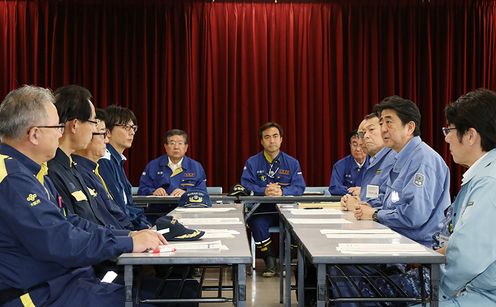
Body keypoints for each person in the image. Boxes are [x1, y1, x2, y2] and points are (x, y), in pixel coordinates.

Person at [0, 85, 165, 306]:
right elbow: (60, 240)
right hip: (39, 293)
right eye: (57, 127)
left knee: (166, 293)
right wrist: (126, 243)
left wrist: (128, 237)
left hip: (62, 281)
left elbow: (70, 222)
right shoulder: (12, 179)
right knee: (152, 300)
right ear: (35, 134)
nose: (61, 133)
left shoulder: (34, 171)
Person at [426, 88, 496, 306]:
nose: (446, 138)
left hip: (479, 294)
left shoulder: (489, 182)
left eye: (450, 130)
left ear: (471, 135)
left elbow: (468, 258)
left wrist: (434, 285)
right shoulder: (483, 175)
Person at [353, 96, 451, 247]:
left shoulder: (423, 160)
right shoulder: (400, 158)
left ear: (410, 127)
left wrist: (375, 214)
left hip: (418, 252)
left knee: (339, 266)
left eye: (389, 122)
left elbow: (414, 215)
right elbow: (390, 201)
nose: (383, 128)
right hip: (397, 242)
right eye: (381, 123)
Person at [47, 85, 120, 227]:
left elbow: (96, 222)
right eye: (93, 122)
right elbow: (75, 231)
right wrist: (127, 239)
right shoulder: (52, 170)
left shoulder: (73, 168)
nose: (94, 129)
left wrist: (129, 236)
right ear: (74, 125)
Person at [241, 122, 306, 277]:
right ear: (262, 141)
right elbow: (245, 184)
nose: (272, 141)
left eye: (275, 136)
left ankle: (285, 263)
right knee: (257, 223)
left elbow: (300, 187)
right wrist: (264, 190)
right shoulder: (252, 162)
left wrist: (282, 191)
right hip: (261, 209)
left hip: (285, 209)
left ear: (281, 139)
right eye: (267, 137)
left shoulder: (292, 162)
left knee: (293, 225)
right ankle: (269, 262)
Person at [72, 108, 134, 230]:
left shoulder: (95, 169)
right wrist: (129, 236)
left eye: (133, 128)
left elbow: (118, 211)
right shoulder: (91, 167)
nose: (106, 140)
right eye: (103, 133)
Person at [98, 105, 150, 230]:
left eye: (133, 127)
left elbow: (129, 205)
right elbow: (118, 208)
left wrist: (146, 225)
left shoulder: (116, 160)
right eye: (126, 127)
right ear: (108, 132)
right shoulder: (104, 160)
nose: (132, 132)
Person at [341, 113, 396, 209]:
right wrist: (359, 199)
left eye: (371, 130)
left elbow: (393, 202)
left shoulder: (394, 159)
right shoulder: (375, 160)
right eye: (361, 134)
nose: (364, 139)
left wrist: (359, 202)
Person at [138, 129, 207, 197]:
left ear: (186, 147)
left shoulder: (196, 167)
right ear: (166, 147)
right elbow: (142, 189)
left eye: (180, 143)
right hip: (160, 206)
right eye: (172, 143)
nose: (176, 147)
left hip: (185, 206)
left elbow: (203, 191)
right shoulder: (153, 166)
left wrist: (187, 192)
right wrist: (153, 191)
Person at [329, 130, 368, 196]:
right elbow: (334, 188)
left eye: (361, 145)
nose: (358, 149)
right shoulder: (340, 165)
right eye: (354, 144)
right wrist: (353, 191)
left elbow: (379, 189)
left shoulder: (375, 163)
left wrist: (362, 191)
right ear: (350, 145)